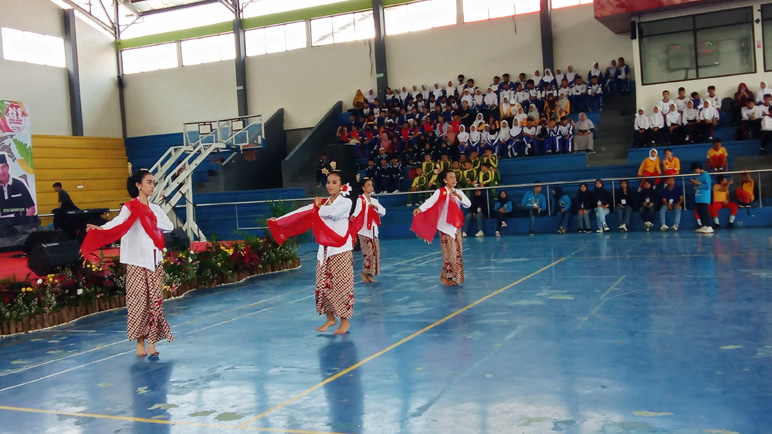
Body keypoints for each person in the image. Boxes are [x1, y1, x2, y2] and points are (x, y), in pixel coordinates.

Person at [82, 169, 174, 357]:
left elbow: (169, 226)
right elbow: (117, 223)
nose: (152, 186)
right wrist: (100, 228)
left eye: (153, 183)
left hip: (154, 261)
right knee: (138, 303)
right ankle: (140, 342)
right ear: (138, 185)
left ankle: (153, 343)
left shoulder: (155, 208)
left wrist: (149, 216)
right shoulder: (130, 207)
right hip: (136, 261)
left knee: (154, 303)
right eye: (149, 182)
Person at [269, 171, 355, 334]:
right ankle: (330, 318)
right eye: (328, 182)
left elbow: (332, 213)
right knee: (322, 285)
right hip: (324, 251)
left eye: (334, 182)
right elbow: (301, 213)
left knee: (341, 286)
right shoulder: (322, 203)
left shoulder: (346, 203)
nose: (330, 185)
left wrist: (318, 207)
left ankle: (345, 321)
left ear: (341, 185)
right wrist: (279, 221)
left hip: (340, 250)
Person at [412, 170, 471, 286]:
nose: (453, 180)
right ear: (445, 180)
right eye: (450, 177)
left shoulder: (458, 192)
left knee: (458, 253)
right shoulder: (440, 192)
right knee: (449, 253)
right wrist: (420, 208)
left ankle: (450, 277)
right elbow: (431, 201)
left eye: (454, 177)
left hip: (456, 227)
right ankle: (445, 277)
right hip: (444, 227)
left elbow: (468, 204)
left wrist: (459, 197)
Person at [350, 178, 386, 283]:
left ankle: (370, 274)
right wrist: (353, 217)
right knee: (368, 253)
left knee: (375, 254)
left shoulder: (374, 201)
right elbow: (357, 212)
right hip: (364, 231)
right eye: (368, 185)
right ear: (363, 187)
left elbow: (383, 212)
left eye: (371, 185)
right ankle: (364, 272)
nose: (371, 187)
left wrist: (375, 207)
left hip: (374, 231)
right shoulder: (360, 199)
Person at [0, 153, 36, 222]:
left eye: (3, 167)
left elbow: (31, 208)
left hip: (19, 226)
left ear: (8, 167)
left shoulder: (19, 184)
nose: (1, 171)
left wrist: (24, 222)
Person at [690, 162, 713, 234]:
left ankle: (709, 226)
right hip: (699, 197)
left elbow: (707, 186)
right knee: (700, 212)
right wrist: (694, 183)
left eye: (695, 170)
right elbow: (697, 186)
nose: (694, 172)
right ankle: (704, 225)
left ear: (698, 168)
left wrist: (697, 183)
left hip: (704, 197)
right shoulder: (699, 176)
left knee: (704, 212)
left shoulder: (705, 175)